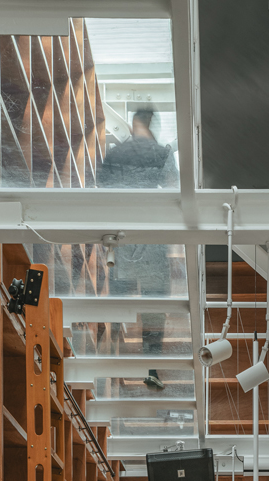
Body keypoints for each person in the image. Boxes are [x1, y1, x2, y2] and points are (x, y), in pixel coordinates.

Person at [97, 110, 178, 374]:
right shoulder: (163, 153)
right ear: (152, 125)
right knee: (155, 302)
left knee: (119, 298)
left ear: (133, 125)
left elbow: (102, 192)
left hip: (121, 241)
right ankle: (151, 367)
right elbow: (173, 191)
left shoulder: (114, 155)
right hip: (152, 241)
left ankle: (112, 357)